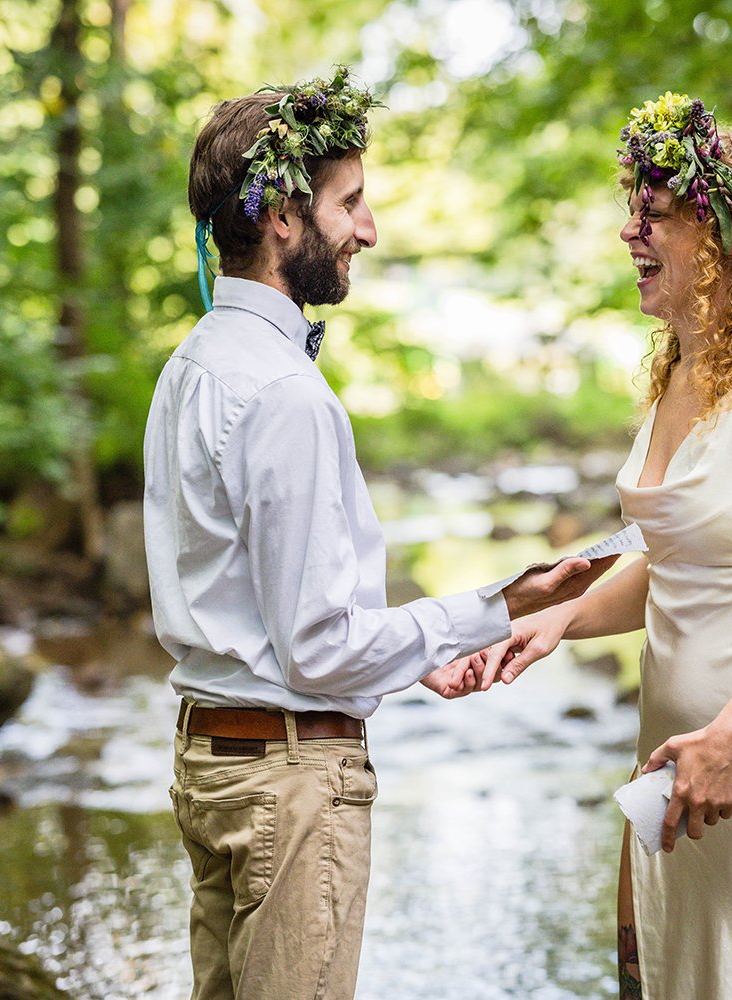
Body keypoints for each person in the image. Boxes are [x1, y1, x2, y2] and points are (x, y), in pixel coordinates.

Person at [143, 66, 614, 1000]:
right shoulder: (283, 394)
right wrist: (500, 605)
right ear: (282, 214)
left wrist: (396, 659)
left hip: (213, 768)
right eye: (350, 202)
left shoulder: (192, 366)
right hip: (287, 787)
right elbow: (317, 649)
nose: (368, 228)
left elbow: (259, 608)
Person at [469, 93, 732, 999]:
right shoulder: (679, 365)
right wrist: (559, 621)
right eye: (632, 213)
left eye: (654, 217)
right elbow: (676, 562)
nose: (628, 233)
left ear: (727, 232)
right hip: (673, 757)